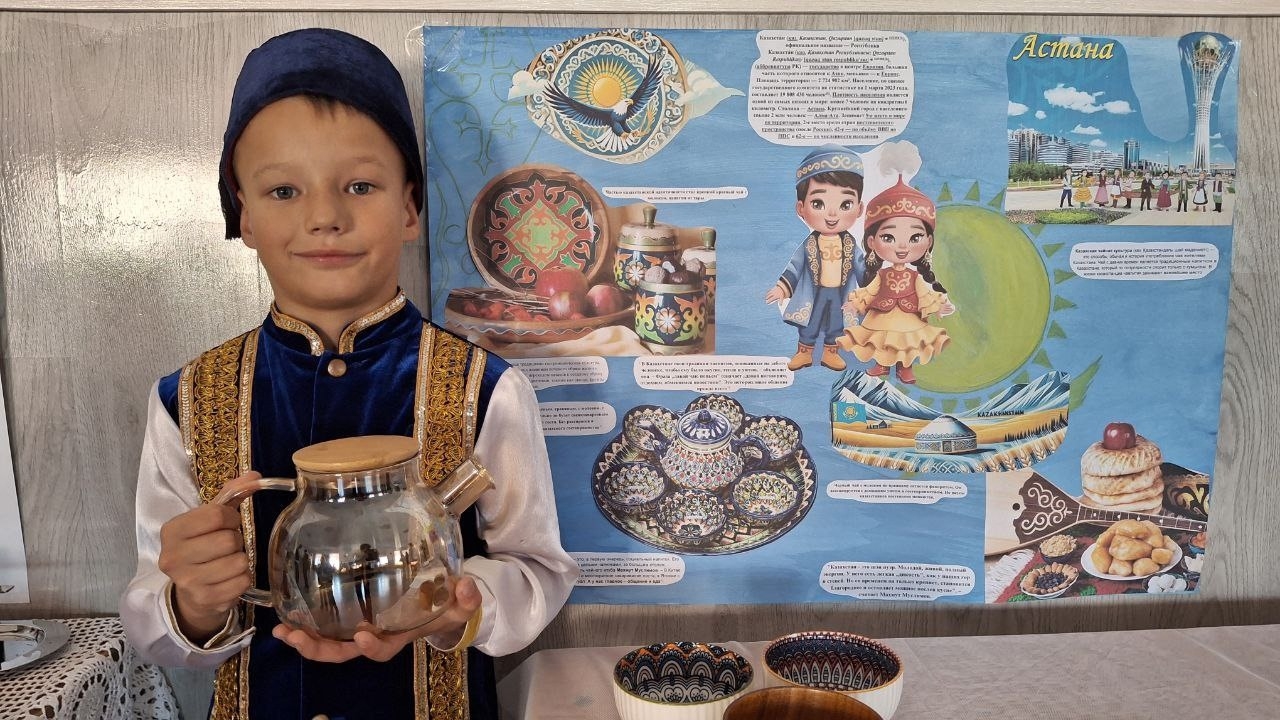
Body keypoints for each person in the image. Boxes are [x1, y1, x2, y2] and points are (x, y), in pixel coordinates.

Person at [119, 28, 578, 720]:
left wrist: (460, 605)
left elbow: (538, 570)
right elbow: (150, 610)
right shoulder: (187, 400)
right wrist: (190, 603)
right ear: (243, 215)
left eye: (360, 185)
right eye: (283, 190)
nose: (325, 217)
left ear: (410, 207)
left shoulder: (485, 388)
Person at [837, 176, 954, 385]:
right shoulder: (881, 275)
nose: (902, 247)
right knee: (881, 340)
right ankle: (882, 365)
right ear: (872, 242)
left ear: (928, 241)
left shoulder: (915, 277)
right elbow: (870, 291)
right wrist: (855, 304)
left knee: (906, 343)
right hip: (881, 315)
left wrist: (938, 306)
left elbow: (925, 294)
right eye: (888, 238)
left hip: (909, 316)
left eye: (914, 238)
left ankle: (904, 368)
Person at [765, 144, 865, 372]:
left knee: (837, 323)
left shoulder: (851, 244)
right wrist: (782, 288)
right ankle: (804, 352)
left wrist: (873, 284)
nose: (832, 213)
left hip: (841, 293)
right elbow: (795, 267)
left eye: (845, 204)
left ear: (859, 209)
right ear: (801, 208)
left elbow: (862, 269)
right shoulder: (809, 244)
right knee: (810, 322)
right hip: (813, 291)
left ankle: (831, 352)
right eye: (818, 204)